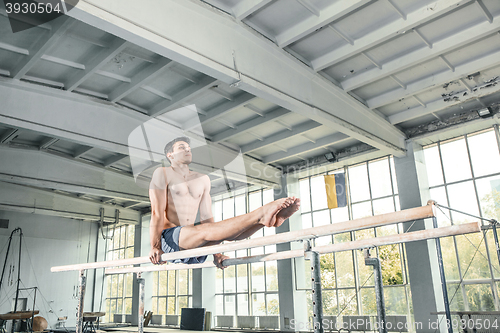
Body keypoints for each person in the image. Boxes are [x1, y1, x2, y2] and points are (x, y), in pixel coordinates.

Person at [149, 136, 300, 269]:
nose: (188, 150)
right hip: (169, 239)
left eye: (189, 148)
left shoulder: (202, 179)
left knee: (220, 233)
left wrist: (217, 254)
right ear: (170, 155)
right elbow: (156, 212)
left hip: (191, 241)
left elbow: (208, 219)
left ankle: (263, 221)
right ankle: (260, 215)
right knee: (205, 231)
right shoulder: (162, 173)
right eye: (182, 148)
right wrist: (155, 247)